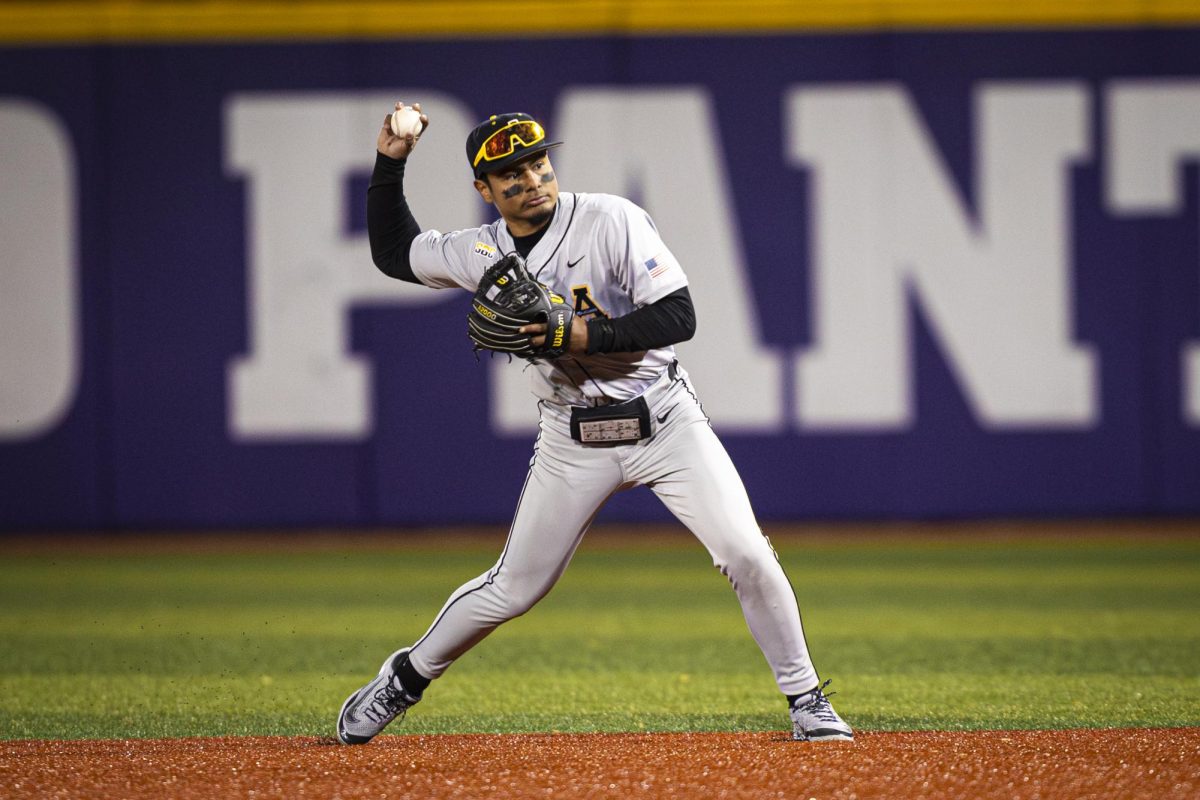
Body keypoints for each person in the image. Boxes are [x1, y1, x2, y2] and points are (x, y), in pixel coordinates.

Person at [336, 102, 853, 744]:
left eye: (537, 161)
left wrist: (582, 332)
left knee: (747, 552)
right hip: (571, 437)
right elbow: (393, 253)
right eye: (510, 173)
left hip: (664, 421)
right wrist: (391, 161)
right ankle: (403, 679)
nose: (531, 179)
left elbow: (679, 316)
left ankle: (807, 701)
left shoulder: (610, 219)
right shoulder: (479, 252)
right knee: (513, 589)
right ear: (484, 190)